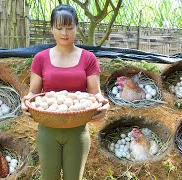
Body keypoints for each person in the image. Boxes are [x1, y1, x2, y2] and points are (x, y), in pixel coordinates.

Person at [21, 4, 109, 180]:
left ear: (77, 27)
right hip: (48, 131)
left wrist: (103, 103)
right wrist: (26, 102)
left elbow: (95, 94)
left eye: (69, 28)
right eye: (59, 28)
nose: (64, 33)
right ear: (52, 28)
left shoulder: (88, 58)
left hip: (77, 131)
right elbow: (33, 94)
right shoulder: (40, 58)